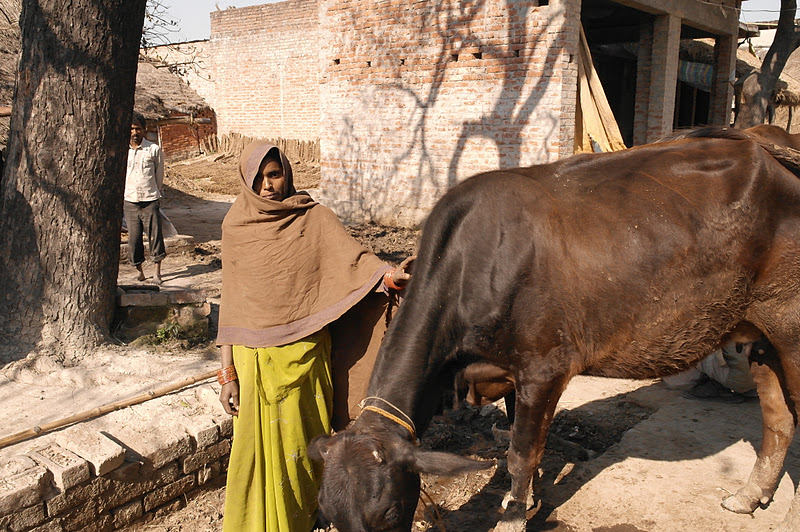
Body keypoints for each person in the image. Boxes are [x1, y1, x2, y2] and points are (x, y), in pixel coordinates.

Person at [216, 141, 413, 532]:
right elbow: (232, 304)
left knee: (308, 447)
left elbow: (354, 262)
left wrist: (388, 276)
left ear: (287, 174)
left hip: (308, 355)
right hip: (256, 364)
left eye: (274, 174)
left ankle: (307, 515)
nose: (267, 185)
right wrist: (227, 374)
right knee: (259, 454)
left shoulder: (314, 218)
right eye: (258, 178)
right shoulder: (235, 227)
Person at [124, 113, 166, 284]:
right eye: (132, 129)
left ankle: (157, 273)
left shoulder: (153, 150)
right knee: (134, 239)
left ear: (144, 130)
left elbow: (159, 176)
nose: (135, 132)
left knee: (155, 237)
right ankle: (140, 272)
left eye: (138, 129)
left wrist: (153, 193)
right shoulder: (123, 150)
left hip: (150, 199)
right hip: (130, 201)